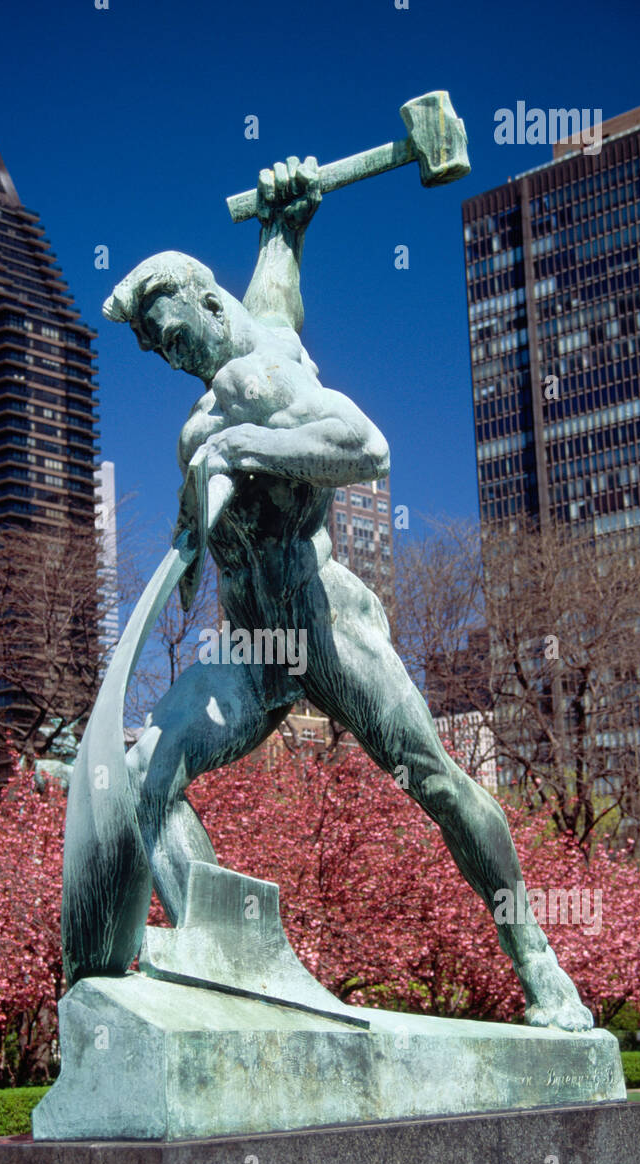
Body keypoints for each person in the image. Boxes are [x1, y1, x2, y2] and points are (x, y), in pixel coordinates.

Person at [100, 155, 593, 1031]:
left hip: (324, 624)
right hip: (255, 654)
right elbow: (274, 294)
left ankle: (537, 960)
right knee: (143, 772)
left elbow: (366, 448)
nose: (174, 354)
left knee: (438, 783)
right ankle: (224, 952)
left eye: (176, 332)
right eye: (159, 348)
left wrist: (244, 454)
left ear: (209, 307)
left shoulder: (266, 378)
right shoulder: (201, 420)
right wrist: (284, 222)